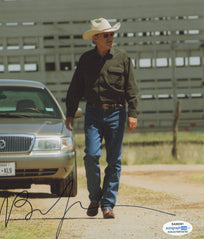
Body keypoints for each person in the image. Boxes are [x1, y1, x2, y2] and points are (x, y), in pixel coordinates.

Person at [65, 18, 138, 219]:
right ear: (96, 38)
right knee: (91, 156)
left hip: (116, 113)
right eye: (106, 35)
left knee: (114, 160)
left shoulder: (123, 59)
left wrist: (133, 113)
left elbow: (131, 88)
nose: (110, 38)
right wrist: (70, 113)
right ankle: (95, 198)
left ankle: (108, 205)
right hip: (93, 114)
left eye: (112, 34)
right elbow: (75, 88)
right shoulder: (86, 60)